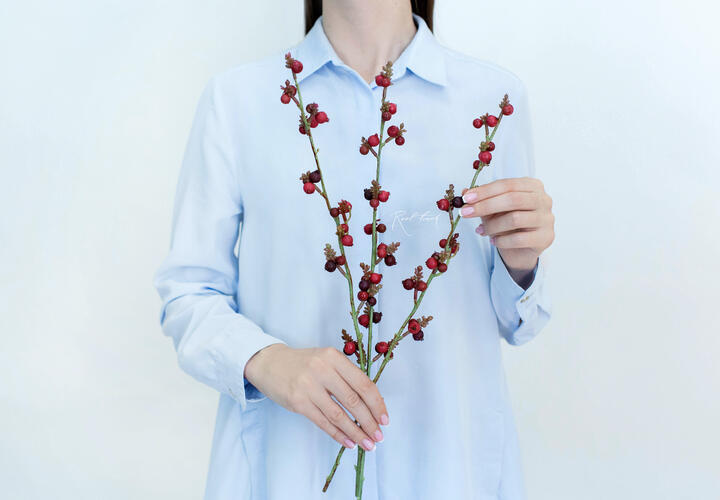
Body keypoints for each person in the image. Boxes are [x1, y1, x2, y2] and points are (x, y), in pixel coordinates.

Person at [154, 1, 555, 498]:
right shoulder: (237, 101)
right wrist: (267, 360)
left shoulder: (492, 99)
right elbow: (188, 293)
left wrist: (522, 262)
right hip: (290, 469)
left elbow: (519, 321)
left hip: (448, 467)